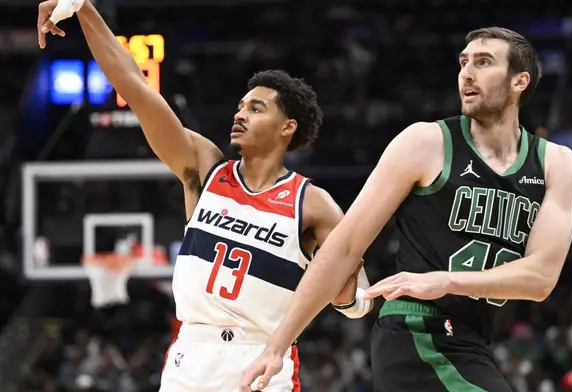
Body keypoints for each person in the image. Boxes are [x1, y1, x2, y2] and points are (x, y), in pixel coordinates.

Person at [37, 1, 373, 391]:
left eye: (255, 108)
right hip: (191, 357)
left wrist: (353, 293)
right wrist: (84, 9)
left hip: (261, 358)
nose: (240, 114)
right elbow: (135, 86)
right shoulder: (206, 169)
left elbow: (354, 298)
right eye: (240, 106)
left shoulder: (312, 203)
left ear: (287, 127)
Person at [240, 27, 572, 392]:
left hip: (473, 340)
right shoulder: (426, 142)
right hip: (417, 330)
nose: (467, 72)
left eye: (483, 62)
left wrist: (447, 280)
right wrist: (277, 345)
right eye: (463, 62)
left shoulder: (555, 164)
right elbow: (345, 245)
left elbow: (541, 279)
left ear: (520, 81)